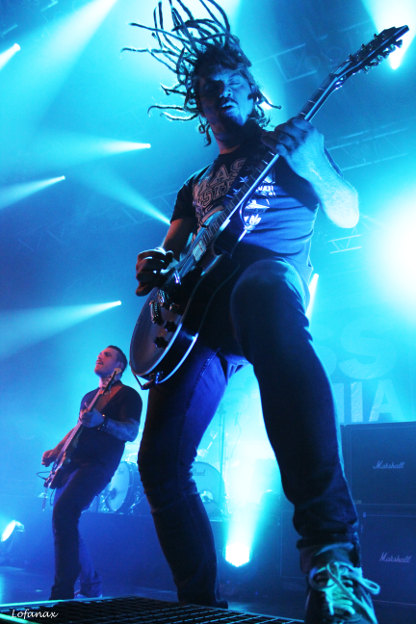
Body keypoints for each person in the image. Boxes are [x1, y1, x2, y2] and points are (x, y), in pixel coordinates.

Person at [130, 2, 379, 622]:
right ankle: (198, 605)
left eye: (227, 83)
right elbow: (171, 251)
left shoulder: (290, 142)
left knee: (259, 287)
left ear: (251, 89)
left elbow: (348, 211)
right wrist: (154, 265)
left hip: (268, 282)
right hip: (198, 315)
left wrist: (312, 161)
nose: (217, 94)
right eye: (205, 90)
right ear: (199, 108)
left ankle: (332, 556)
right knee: (159, 466)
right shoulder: (194, 184)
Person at [41, 345, 142, 600]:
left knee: (64, 513)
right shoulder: (89, 397)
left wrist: (103, 422)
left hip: (98, 465)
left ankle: (62, 592)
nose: (100, 356)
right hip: (72, 464)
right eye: (100, 353)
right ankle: (91, 584)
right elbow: (78, 428)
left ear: (119, 367)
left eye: (107, 355)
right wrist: (57, 449)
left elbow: (131, 433)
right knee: (64, 520)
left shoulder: (128, 396)